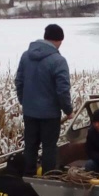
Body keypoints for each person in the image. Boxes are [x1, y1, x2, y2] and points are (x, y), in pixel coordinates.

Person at [15, 24, 74, 176]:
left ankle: (28, 177)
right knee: (49, 147)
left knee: (30, 146)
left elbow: (19, 82)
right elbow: (62, 90)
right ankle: (48, 178)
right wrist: (68, 110)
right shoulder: (58, 60)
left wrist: (25, 103)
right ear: (59, 40)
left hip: (29, 113)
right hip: (49, 115)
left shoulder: (25, 56)